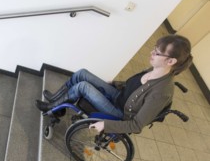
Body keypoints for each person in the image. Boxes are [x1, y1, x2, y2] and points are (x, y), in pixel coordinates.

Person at [36, 34, 193, 134]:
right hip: (119, 96)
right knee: (82, 73)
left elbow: (137, 125)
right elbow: (133, 86)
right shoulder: (155, 69)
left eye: (157, 52)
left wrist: (106, 125)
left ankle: (53, 108)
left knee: (82, 86)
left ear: (171, 61)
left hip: (120, 113)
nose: (151, 53)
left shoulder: (162, 92)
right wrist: (114, 83)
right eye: (154, 49)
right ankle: (56, 100)